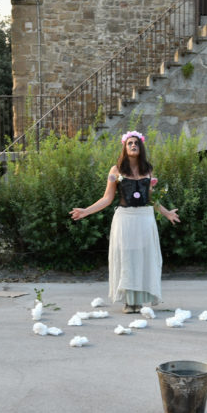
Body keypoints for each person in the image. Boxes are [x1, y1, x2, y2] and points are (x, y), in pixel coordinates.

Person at [70, 131, 180, 313]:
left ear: (141, 147)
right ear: (124, 147)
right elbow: (107, 198)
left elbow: (151, 198)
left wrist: (167, 213)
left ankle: (139, 300)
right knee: (127, 257)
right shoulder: (116, 170)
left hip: (145, 218)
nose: (133, 145)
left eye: (136, 143)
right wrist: (85, 211)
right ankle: (129, 301)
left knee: (143, 257)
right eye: (130, 143)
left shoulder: (148, 170)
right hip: (125, 218)